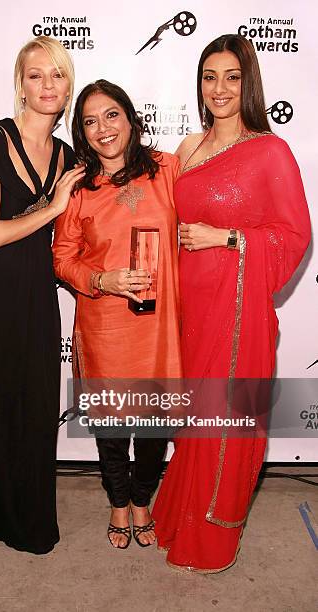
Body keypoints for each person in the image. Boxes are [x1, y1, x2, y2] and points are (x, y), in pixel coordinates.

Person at [153, 34, 311, 572]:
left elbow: (294, 234)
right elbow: (160, 221)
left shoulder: (270, 150)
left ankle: (216, 535)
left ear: (248, 84)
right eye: (209, 76)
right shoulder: (186, 150)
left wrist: (230, 239)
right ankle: (183, 516)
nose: (219, 89)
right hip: (188, 308)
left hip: (237, 308)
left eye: (231, 77)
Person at [0, 36, 85, 554]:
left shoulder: (69, 156)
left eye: (57, 75)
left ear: (68, 85)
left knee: (30, 405)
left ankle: (25, 516)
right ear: (20, 85)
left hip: (36, 290)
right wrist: (52, 208)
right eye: (36, 75)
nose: (47, 85)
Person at [52, 79, 182, 549]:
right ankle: (118, 503)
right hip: (105, 324)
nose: (103, 128)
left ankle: (143, 501)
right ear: (81, 133)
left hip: (161, 326)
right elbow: (62, 258)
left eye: (111, 115)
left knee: (153, 425)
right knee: (112, 427)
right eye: (90, 121)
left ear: (130, 118)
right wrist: (101, 281)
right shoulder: (80, 189)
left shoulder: (168, 169)